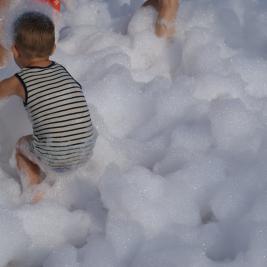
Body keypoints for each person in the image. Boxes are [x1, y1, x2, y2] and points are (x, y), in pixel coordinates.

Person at [0, 11, 97, 193]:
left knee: (21, 145)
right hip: (86, 150)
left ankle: (34, 189)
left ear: (14, 50)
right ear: (53, 48)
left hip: (56, 157)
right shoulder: (61, 70)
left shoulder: (19, 81)